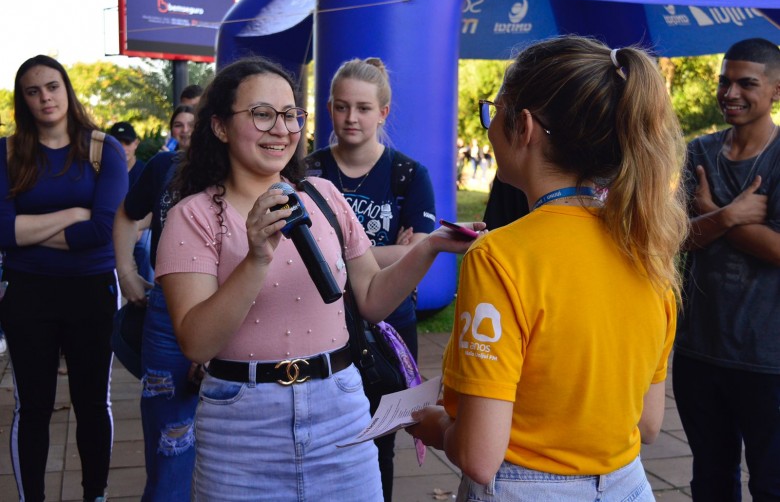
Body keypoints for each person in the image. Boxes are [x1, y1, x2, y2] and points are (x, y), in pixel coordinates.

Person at [153, 55, 479, 501]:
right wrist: (256, 259)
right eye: (262, 114)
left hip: (340, 411)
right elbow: (197, 343)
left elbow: (371, 298)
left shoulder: (323, 195)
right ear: (220, 126)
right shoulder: (193, 216)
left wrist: (429, 247)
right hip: (242, 425)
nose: (281, 129)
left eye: (290, 115)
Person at [407, 35, 688, 501]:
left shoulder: (500, 257)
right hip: (628, 485)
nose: (488, 128)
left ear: (524, 127)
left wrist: (433, 423)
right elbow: (649, 422)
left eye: (492, 111)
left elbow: (479, 456)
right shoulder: (648, 246)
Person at [304, 57, 436, 501]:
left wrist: (333, 252)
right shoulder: (308, 172)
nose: (351, 118)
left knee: (381, 443)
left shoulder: (408, 175)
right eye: (342, 107)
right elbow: (293, 254)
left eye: (363, 108)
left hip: (389, 328)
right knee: (322, 440)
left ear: (383, 113)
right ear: (329, 109)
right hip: (321, 326)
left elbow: (417, 252)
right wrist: (387, 253)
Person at [0, 55, 128, 502]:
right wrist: (74, 213)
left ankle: (96, 495)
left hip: (92, 291)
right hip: (28, 294)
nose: (45, 98)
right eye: (33, 91)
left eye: (52, 87)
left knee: (92, 404)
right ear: (23, 100)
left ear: (67, 91)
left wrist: (27, 233)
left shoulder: (103, 150)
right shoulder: (8, 153)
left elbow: (102, 231)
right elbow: (2, 233)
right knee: (32, 407)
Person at [673, 38, 780, 501]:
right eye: (724, 81)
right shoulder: (698, 153)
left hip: (769, 360)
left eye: (746, 83)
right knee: (710, 481)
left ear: (776, 90)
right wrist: (729, 215)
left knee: (772, 484)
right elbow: (674, 238)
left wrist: (710, 215)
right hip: (699, 352)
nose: (730, 93)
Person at [113, 108, 197, 501]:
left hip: (235, 311)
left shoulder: (245, 166)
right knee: (169, 450)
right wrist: (127, 273)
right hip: (167, 310)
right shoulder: (165, 165)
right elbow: (128, 214)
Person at [110, 121, 153, 283]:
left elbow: (153, 206)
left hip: (141, 225)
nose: (122, 148)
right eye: (117, 143)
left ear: (136, 143)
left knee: (146, 248)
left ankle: (148, 289)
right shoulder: (103, 171)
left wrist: (138, 227)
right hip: (110, 226)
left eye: (127, 142)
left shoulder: (146, 170)